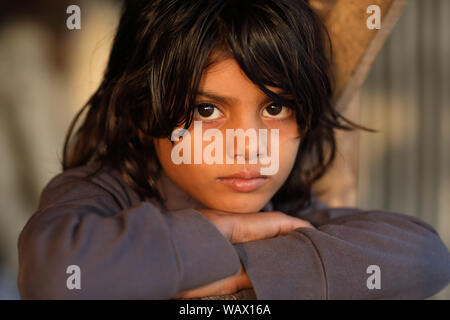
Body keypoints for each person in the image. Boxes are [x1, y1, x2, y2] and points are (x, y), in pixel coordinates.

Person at [17, 0, 450, 299]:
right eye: (206, 109)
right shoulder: (101, 194)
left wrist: (240, 273)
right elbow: (55, 276)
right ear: (142, 110)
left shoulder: (286, 210)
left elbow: (424, 257)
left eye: (276, 107)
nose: (251, 148)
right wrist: (225, 230)